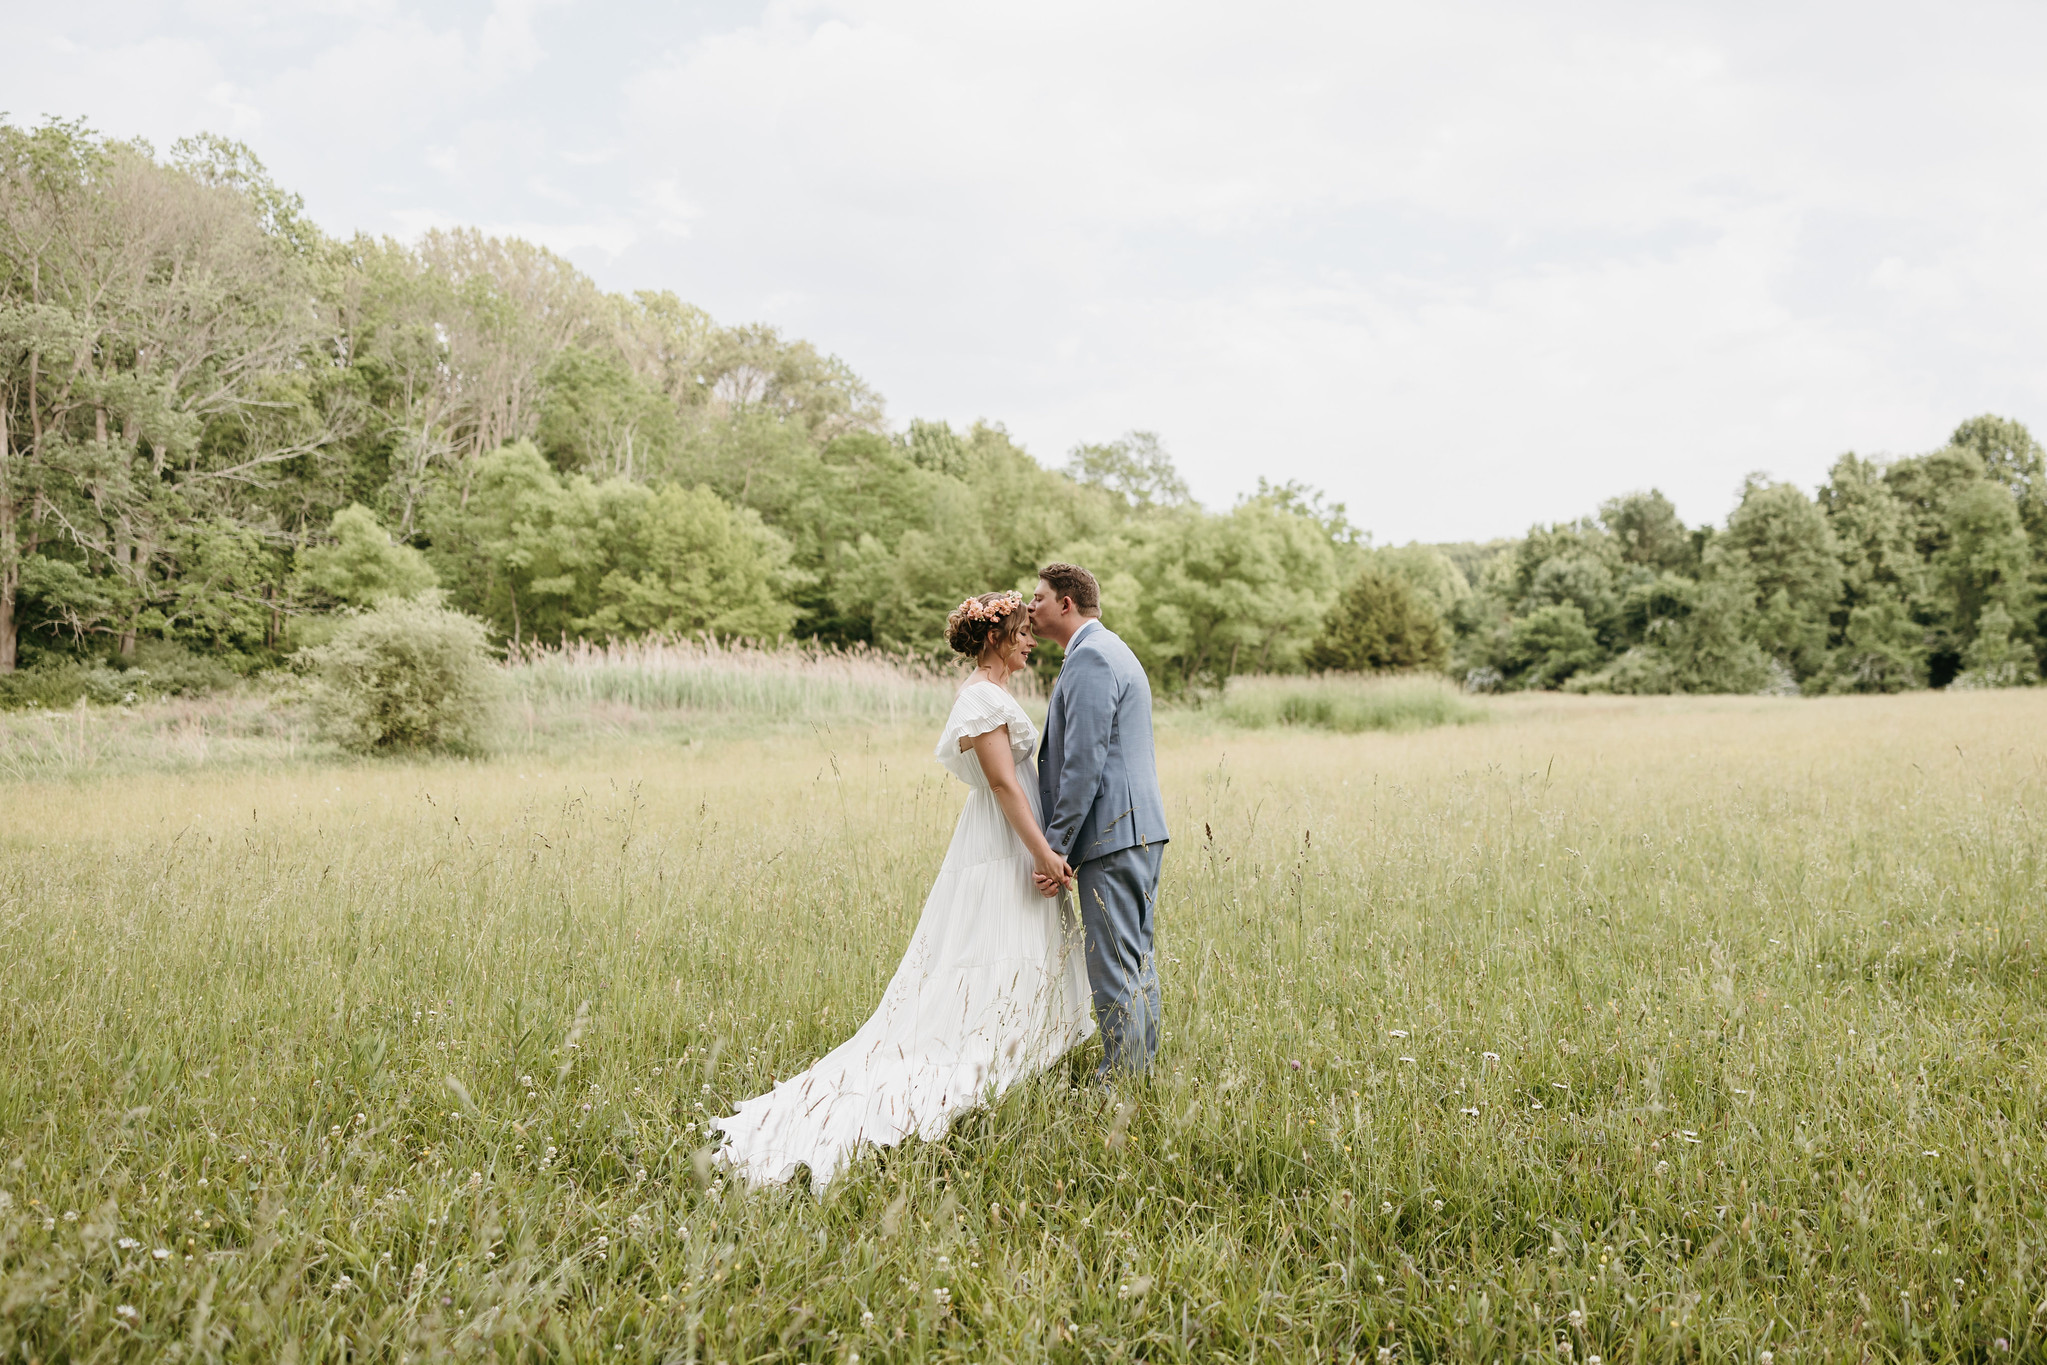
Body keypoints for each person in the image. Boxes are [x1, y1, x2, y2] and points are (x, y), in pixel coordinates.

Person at [710, 591, 1094, 1193]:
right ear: (994, 637)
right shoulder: (982, 699)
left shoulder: (993, 694)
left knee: (1017, 948)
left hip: (1006, 839)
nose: (1029, 640)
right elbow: (1002, 784)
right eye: (1020, 631)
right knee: (995, 948)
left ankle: (1016, 1055)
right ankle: (988, 1059)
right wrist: (1042, 852)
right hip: (1002, 842)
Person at [1029, 562, 1170, 1079]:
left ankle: (1122, 1085)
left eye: (1039, 597)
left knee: (1113, 965)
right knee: (1135, 960)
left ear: (1066, 603)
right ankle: (1139, 1072)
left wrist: (1056, 847)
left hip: (1112, 834)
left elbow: (1083, 763)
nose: (1030, 606)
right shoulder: (1113, 649)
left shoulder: (1089, 658)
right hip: (1138, 830)